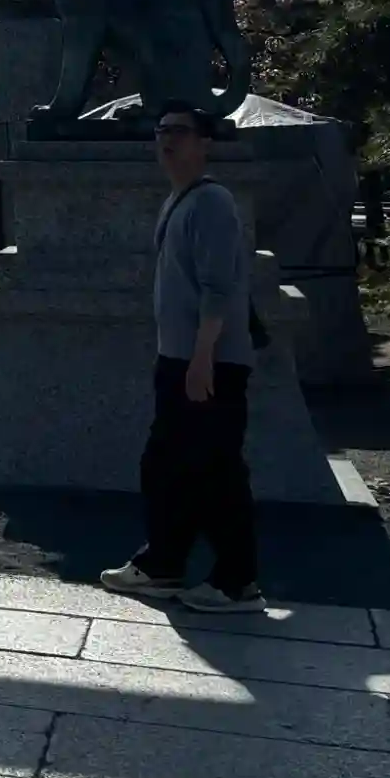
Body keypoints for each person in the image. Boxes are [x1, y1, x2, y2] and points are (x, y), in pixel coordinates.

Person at [102, 101, 265, 613]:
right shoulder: (180, 199)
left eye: (179, 131)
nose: (167, 140)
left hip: (208, 363)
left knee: (214, 471)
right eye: (161, 131)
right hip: (180, 359)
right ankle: (164, 564)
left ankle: (237, 581)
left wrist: (202, 357)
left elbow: (220, 288)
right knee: (170, 467)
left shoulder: (212, 202)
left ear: (204, 142)